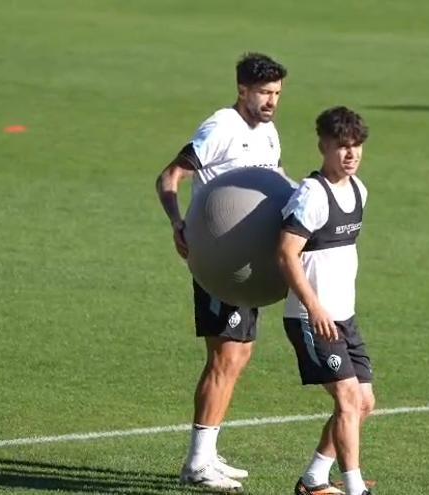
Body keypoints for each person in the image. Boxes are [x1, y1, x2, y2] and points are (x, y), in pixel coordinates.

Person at [156, 52, 287, 493]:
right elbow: (169, 177)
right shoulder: (220, 129)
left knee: (241, 355)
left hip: (250, 264)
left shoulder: (268, 132)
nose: (271, 102)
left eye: (277, 94)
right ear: (242, 90)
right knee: (225, 356)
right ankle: (196, 462)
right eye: (265, 93)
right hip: (220, 263)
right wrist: (178, 223)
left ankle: (208, 453)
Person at [277, 106, 375, 495]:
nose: (351, 154)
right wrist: (315, 306)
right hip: (311, 316)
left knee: (364, 402)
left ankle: (314, 479)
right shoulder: (311, 195)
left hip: (343, 317)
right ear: (324, 146)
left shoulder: (359, 190)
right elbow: (286, 253)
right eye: (342, 147)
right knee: (349, 398)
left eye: (357, 146)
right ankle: (354, 488)